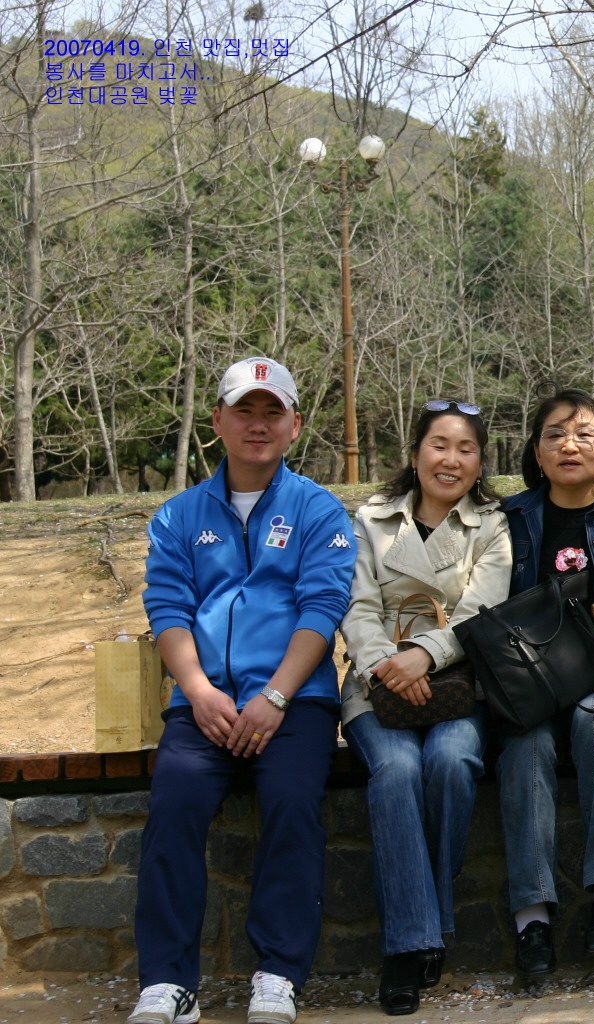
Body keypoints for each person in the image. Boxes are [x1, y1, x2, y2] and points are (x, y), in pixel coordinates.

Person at [130, 357, 355, 1024]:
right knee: (174, 803)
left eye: (273, 412)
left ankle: (278, 973)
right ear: (218, 422)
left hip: (295, 703)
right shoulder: (177, 517)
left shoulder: (318, 509)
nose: (258, 425)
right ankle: (168, 982)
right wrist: (196, 690)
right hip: (203, 704)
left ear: (295, 426)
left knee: (291, 803)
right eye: (245, 411)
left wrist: (277, 696)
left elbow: (323, 608)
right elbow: (167, 609)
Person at [339, 400, 511, 1014]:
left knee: (451, 761)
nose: (452, 459)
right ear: (415, 455)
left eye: (466, 449)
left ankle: (419, 925)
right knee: (396, 771)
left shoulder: (492, 525)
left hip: (458, 682)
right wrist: (388, 663)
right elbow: (356, 607)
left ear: (480, 463)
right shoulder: (370, 521)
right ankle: (410, 945)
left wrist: (425, 657)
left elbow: (483, 610)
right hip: (374, 683)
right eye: (440, 445)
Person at [497, 389, 594, 977]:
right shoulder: (509, 519)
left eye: (585, 433)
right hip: (527, 681)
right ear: (535, 450)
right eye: (555, 433)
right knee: (525, 742)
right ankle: (531, 916)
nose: (570, 444)